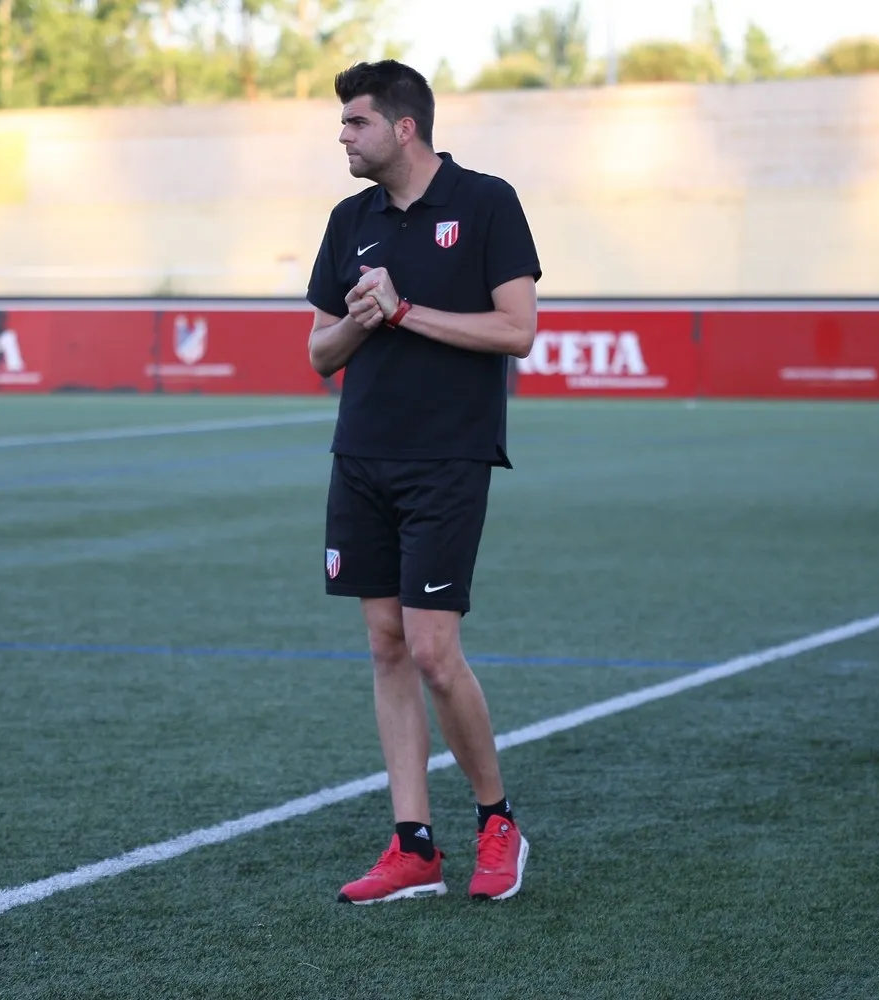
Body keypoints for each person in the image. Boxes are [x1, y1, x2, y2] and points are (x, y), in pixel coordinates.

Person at [304, 59, 542, 905]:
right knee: (386, 644)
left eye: (355, 122)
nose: (343, 136)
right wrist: (363, 322)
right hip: (361, 454)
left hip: (448, 457)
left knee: (436, 651)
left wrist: (406, 312)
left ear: (404, 128)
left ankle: (498, 822)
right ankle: (414, 845)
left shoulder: (486, 203)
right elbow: (319, 353)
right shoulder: (349, 219)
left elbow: (518, 332)